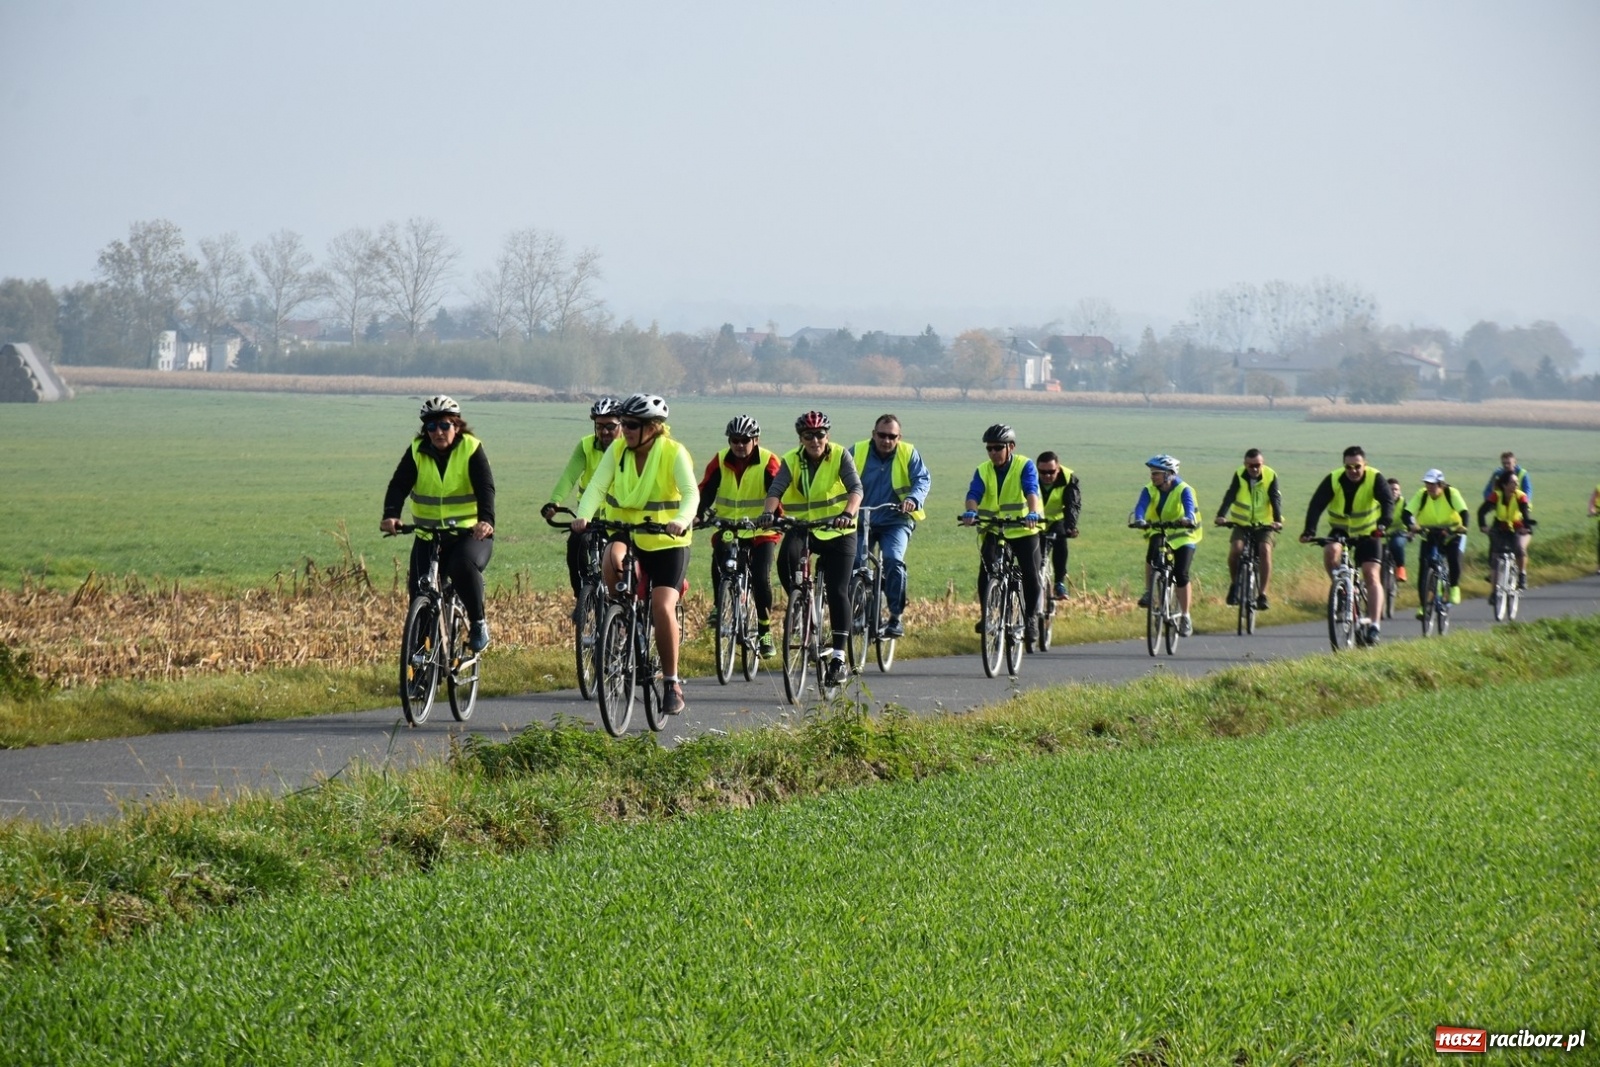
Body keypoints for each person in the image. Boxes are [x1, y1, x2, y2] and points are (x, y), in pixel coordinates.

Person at [571, 393, 698, 716]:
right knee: (610, 559)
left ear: (653, 427)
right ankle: (622, 619)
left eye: (631, 425)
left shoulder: (674, 453)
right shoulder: (618, 451)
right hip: (628, 531)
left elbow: (690, 493)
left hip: (668, 542)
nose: (624, 430)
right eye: (623, 423)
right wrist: (583, 515)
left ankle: (671, 683)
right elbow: (598, 486)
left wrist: (681, 521)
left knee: (661, 606)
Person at [381, 395, 496, 652]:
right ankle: (420, 673)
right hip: (428, 535)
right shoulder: (417, 450)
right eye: (431, 427)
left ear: (456, 426)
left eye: (444, 425)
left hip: (468, 535)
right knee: (420, 597)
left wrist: (486, 521)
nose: (438, 432)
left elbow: (485, 487)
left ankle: (477, 622)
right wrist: (391, 514)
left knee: (461, 565)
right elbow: (399, 484)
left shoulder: (471, 448)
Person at [762, 410, 862, 687]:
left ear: (827, 436)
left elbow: (856, 488)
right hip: (804, 526)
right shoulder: (792, 460)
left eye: (820, 435)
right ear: (801, 439)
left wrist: (849, 512)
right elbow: (776, 490)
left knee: (837, 588)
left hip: (839, 529)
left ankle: (839, 658)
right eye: (809, 436)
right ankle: (802, 604)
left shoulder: (840, 455)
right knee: (785, 561)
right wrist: (769, 513)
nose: (815, 440)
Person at [696, 414, 782, 658]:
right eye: (735, 440)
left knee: (761, 578)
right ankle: (718, 604)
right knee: (720, 558)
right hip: (730, 526)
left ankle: (765, 632)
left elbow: (777, 490)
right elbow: (706, 489)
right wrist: (698, 514)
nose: (739, 445)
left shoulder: (768, 461)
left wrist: (774, 515)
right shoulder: (720, 460)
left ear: (755, 440)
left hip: (761, 530)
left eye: (745, 440)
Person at [1300, 445, 1395, 645]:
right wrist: (1309, 530)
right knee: (1330, 551)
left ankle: (1375, 625)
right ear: (1344, 465)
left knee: (1371, 573)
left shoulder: (1375, 478)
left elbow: (1387, 502)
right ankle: (1341, 590)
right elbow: (1316, 504)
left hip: (1369, 532)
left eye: (1357, 467)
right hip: (1341, 530)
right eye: (1348, 467)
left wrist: (1383, 524)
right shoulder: (1334, 479)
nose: (1353, 471)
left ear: (1365, 465)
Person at [541, 397, 623, 622]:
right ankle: (583, 598)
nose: (604, 432)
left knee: (624, 560)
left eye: (610, 426)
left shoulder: (629, 448)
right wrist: (554, 502)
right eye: (599, 426)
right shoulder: (586, 445)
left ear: (622, 425)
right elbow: (569, 476)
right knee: (576, 544)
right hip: (590, 515)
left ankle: (626, 604)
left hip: (621, 518)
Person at [959, 424, 1044, 642]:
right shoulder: (983, 470)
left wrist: (1033, 513)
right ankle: (987, 614)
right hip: (994, 528)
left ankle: (1031, 618)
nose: (993, 453)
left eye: (998, 448)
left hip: (1024, 529)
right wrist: (971, 511)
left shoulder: (1024, 465)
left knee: (1030, 574)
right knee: (986, 571)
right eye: (990, 449)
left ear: (1011, 447)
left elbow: (1031, 489)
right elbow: (974, 493)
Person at [851, 413, 931, 638]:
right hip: (860, 520)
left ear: (899, 437)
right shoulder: (856, 451)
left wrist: (913, 499)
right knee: (856, 561)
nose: (886, 440)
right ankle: (858, 612)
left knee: (894, 561)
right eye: (882, 435)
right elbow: (837, 477)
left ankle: (896, 616)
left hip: (895, 520)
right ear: (873, 434)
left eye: (892, 436)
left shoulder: (908, 453)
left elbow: (922, 479)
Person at [1130, 453, 1202, 636]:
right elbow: (1141, 506)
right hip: (1160, 530)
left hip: (1183, 535)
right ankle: (1149, 592)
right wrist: (1139, 519)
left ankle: (1185, 616)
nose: (1152, 476)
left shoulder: (1184, 489)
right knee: (1151, 556)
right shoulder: (1149, 489)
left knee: (1181, 573)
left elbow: (1189, 506)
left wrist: (1188, 518)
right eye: (1152, 473)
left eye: (1156, 473)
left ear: (1169, 474)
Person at [1214, 447, 1282, 610]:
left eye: (1258, 465)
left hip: (1264, 524)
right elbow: (1230, 495)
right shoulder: (1239, 474)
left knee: (1265, 550)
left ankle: (1262, 594)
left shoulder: (1270, 475)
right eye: (1251, 465)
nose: (1255, 469)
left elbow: (1275, 498)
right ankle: (1235, 585)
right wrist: (1221, 515)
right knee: (1236, 550)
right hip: (1241, 524)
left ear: (1263, 464)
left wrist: (1277, 520)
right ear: (1245, 464)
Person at [1406, 468, 1470, 615]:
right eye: (1427, 484)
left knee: (1454, 558)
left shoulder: (1451, 493)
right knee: (1424, 569)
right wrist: (1412, 525)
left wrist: (1463, 527)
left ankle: (1454, 588)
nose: (1429, 487)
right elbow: (1407, 512)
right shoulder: (1422, 494)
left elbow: (1464, 512)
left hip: (1451, 532)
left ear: (1441, 484)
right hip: (1429, 532)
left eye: (1433, 484)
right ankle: (1423, 606)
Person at [1477, 467, 1534, 590]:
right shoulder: (1496, 496)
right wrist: (1483, 526)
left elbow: (1525, 513)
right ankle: (1494, 590)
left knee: (1519, 548)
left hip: (1518, 525)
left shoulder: (1521, 496)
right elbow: (1482, 511)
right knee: (1494, 554)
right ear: (1504, 485)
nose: (1516, 485)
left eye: (1517, 482)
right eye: (1513, 482)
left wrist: (1526, 527)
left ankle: (1522, 575)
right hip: (1500, 526)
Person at [1035, 451, 1081, 600]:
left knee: (1061, 540)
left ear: (1058, 469)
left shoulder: (1068, 479)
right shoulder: (1030, 478)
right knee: (1034, 555)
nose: (1047, 476)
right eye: (1042, 472)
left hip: (1056, 519)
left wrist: (1071, 526)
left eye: (1051, 472)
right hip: (1035, 520)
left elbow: (1072, 505)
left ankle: (1059, 583)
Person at [1384, 476, 1410, 583]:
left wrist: (1411, 530)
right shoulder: (1380, 502)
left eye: (1396, 489)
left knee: (1397, 544)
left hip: (1400, 532)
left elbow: (1409, 518)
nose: (1394, 492)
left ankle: (1400, 569)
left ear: (1400, 491)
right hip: (1382, 533)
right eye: (1391, 489)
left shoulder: (1403, 503)